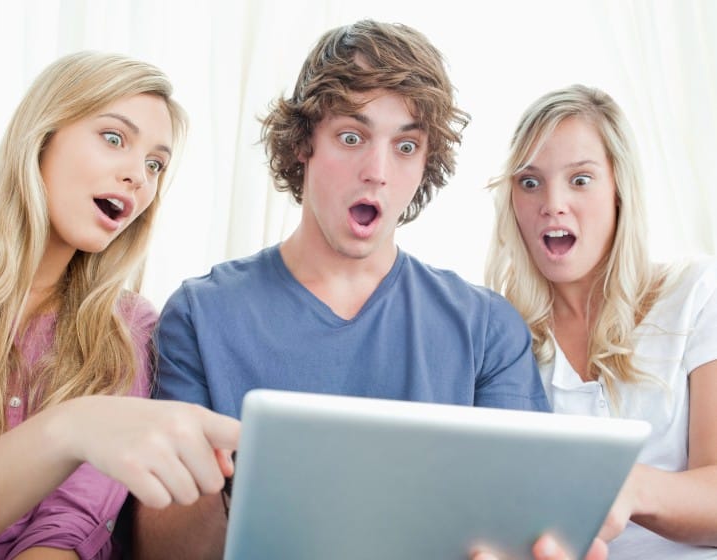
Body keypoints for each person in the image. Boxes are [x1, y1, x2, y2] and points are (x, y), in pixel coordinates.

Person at [135, 20, 604, 560]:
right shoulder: (200, 315)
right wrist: (198, 482)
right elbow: (167, 551)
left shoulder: (486, 329)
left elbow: (523, 524)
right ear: (303, 143)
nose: (377, 171)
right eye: (352, 137)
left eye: (406, 146)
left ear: (426, 163)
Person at [0, 51, 239, 559]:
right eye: (114, 138)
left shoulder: (128, 329)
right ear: (41, 137)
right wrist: (70, 430)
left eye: (156, 164)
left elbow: (66, 531)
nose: (139, 177)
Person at [485, 84, 717, 559]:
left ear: (618, 191)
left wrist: (627, 489)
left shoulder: (696, 294)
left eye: (581, 179)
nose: (552, 203)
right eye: (530, 182)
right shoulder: (499, 337)